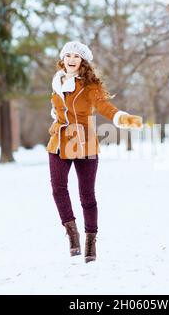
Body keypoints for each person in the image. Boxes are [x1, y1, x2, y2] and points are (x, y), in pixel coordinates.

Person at [46, 41, 143, 263]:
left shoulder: (90, 86)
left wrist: (121, 118)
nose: (71, 59)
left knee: (87, 195)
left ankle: (91, 240)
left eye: (76, 56)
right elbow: (57, 109)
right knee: (58, 189)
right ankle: (72, 233)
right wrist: (56, 118)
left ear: (83, 61)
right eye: (68, 55)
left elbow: (104, 106)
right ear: (63, 59)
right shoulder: (58, 81)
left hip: (84, 142)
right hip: (60, 140)